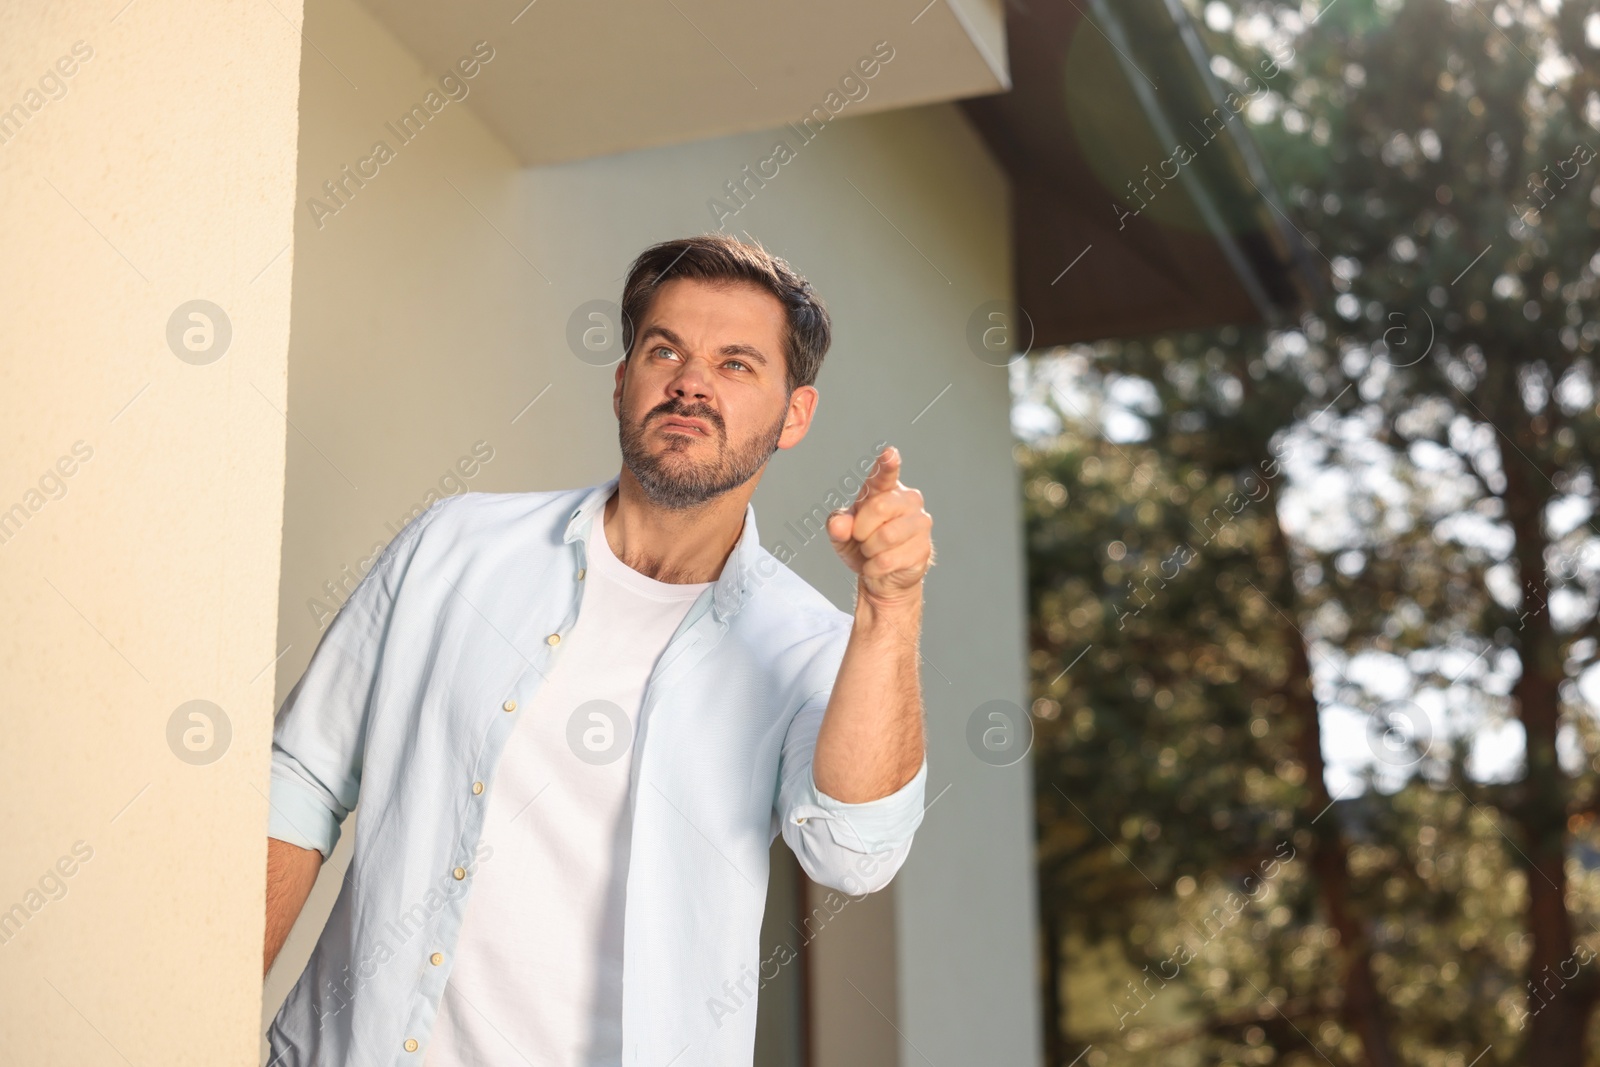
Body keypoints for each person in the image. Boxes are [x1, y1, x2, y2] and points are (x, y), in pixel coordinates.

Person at [261, 233, 933, 1066]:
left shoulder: (809, 648)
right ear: (623, 381)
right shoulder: (454, 547)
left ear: (794, 414)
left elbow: (855, 854)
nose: (690, 381)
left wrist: (890, 607)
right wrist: (192, 1023)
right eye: (665, 350)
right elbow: (302, 780)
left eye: (736, 364)